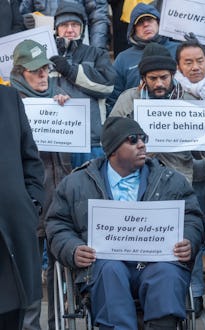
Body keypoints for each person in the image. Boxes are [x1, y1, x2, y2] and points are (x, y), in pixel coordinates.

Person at [45, 116, 204, 330]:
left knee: (166, 272)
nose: (141, 144)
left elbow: (192, 217)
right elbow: (57, 224)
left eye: (143, 138)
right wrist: (73, 249)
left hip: (155, 261)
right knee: (110, 270)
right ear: (112, 150)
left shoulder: (169, 179)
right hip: (104, 265)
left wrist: (188, 240)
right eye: (132, 139)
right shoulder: (76, 183)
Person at [10, 39, 72, 330]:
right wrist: (29, 200)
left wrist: (64, 108)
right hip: (28, 204)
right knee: (29, 277)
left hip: (59, 200)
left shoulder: (59, 99)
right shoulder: (9, 106)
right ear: (20, 72)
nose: (43, 76)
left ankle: (57, 325)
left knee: (60, 274)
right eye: (36, 71)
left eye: (45, 69)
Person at [175, 39, 205, 318]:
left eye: (199, 61)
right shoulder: (172, 96)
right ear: (178, 65)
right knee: (189, 234)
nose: (195, 67)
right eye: (188, 62)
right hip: (187, 175)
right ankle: (191, 292)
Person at [110, 42, 198, 183]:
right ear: (144, 78)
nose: (159, 84)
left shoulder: (190, 102)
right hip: (135, 179)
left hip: (178, 179)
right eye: (153, 78)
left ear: (173, 74)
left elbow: (200, 154)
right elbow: (109, 142)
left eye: (164, 77)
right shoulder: (128, 100)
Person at [49, 1, 116, 169]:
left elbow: (107, 86)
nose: (70, 29)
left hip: (90, 141)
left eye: (75, 25)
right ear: (56, 29)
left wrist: (70, 71)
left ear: (82, 29)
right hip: (54, 137)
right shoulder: (46, 55)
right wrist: (54, 96)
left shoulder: (96, 53)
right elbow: (36, 88)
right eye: (64, 25)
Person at [0, 84, 44, 330]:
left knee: (11, 315)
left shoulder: (8, 98)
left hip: (10, 228)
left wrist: (32, 202)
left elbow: (30, 157)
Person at [106, 2, 179, 113]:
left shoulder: (180, 50)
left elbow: (198, 82)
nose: (145, 25)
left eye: (149, 20)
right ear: (133, 29)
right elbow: (113, 99)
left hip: (178, 117)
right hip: (135, 122)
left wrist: (199, 50)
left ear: (159, 23)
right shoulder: (123, 59)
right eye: (140, 22)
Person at [20, 0, 110, 50]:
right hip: (44, 50)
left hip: (78, 48)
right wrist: (25, 19)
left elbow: (98, 18)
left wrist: (97, 50)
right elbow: (23, 11)